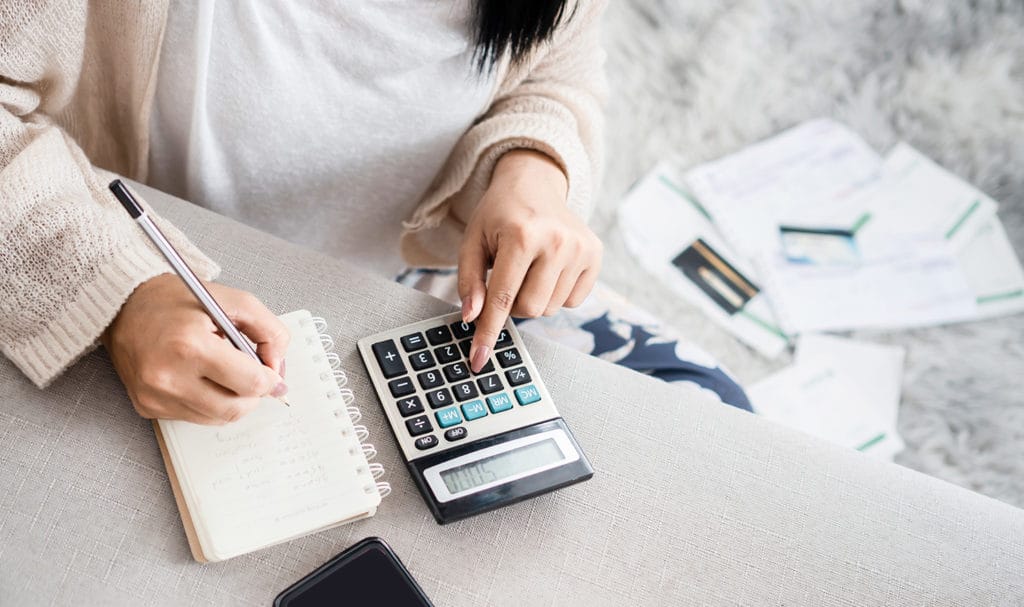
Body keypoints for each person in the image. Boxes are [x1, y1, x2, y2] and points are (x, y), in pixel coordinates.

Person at [0, 1, 749, 426]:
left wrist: (532, 166)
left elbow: (556, 70)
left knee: (710, 415)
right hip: (139, 278)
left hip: (407, 289)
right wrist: (122, 294)